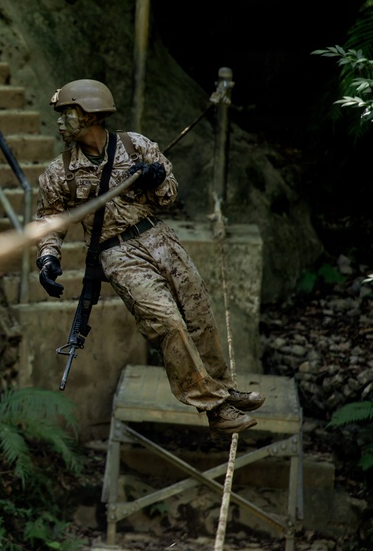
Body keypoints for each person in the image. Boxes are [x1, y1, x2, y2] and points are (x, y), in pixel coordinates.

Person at [33, 78, 264, 434]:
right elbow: (50, 221)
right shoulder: (59, 173)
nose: (61, 123)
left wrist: (154, 178)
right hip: (117, 253)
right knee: (167, 322)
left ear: (89, 116)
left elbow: (169, 194)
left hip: (160, 237)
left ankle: (225, 389)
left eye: (67, 114)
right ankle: (214, 408)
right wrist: (48, 258)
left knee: (199, 312)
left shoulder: (135, 145)